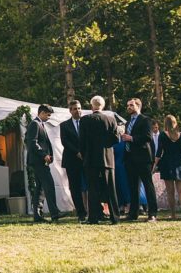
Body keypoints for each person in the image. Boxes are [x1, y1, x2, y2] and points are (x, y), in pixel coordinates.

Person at [78, 95, 120, 225]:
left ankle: (93, 217)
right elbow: (116, 139)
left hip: (90, 158)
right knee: (111, 188)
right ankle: (115, 217)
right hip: (107, 158)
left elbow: (82, 141)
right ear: (103, 106)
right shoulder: (110, 119)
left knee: (93, 188)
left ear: (91, 106)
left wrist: (84, 154)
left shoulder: (85, 120)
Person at [121, 98, 158, 222]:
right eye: (128, 105)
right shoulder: (127, 123)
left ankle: (152, 213)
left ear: (138, 106)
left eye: (131, 105)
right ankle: (133, 213)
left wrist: (131, 138)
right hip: (130, 158)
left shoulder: (145, 120)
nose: (129, 107)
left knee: (148, 185)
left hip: (143, 157)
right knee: (133, 186)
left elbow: (148, 137)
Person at [25, 104, 63, 222]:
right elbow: (32, 143)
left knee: (39, 189)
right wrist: (44, 154)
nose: (49, 117)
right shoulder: (35, 124)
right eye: (48, 114)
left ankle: (38, 215)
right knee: (49, 186)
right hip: (39, 161)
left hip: (39, 161)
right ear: (41, 113)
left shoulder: (39, 124)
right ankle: (54, 213)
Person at [154, 115, 181, 219]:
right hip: (179, 162)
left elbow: (159, 151)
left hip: (166, 163)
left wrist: (155, 164)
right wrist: (180, 153)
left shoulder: (162, 135)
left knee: (170, 191)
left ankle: (173, 214)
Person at [59, 100, 87, 222]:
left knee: (91, 185)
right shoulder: (64, 125)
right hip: (72, 160)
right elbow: (65, 142)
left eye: (79, 108)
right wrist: (77, 152)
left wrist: (85, 152)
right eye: (75, 108)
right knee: (75, 188)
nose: (78, 110)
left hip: (87, 159)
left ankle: (96, 211)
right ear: (70, 111)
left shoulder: (87, 123)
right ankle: (81, 213)